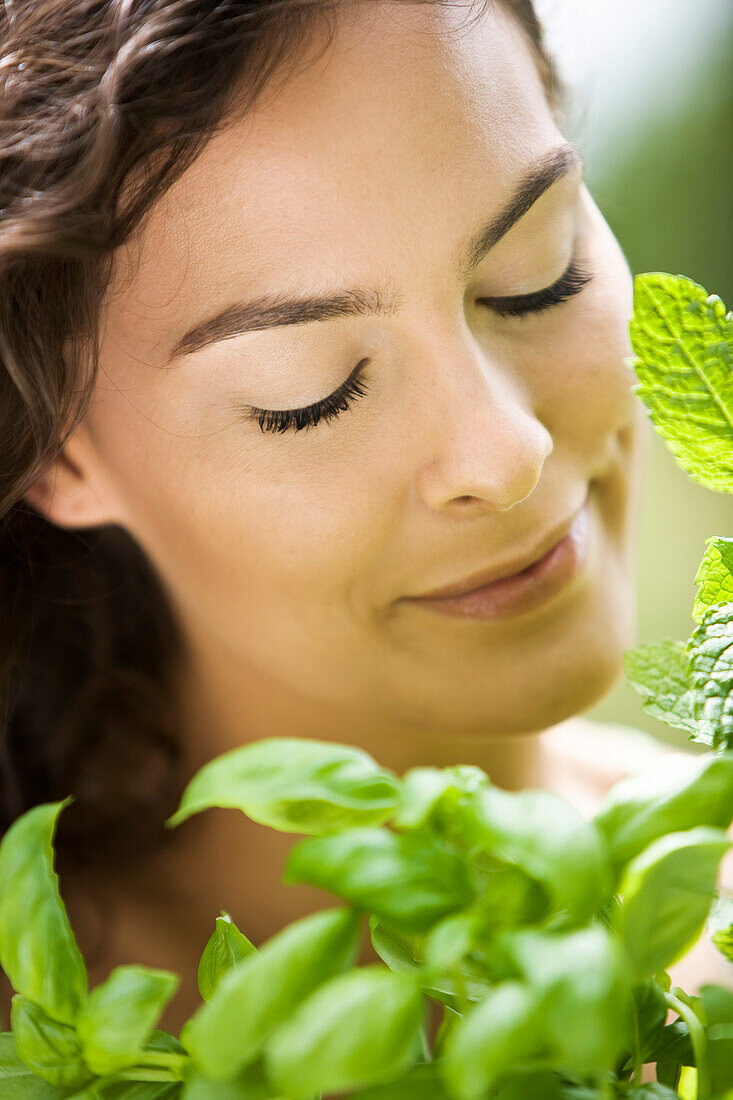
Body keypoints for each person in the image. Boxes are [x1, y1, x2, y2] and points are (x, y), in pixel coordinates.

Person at [0, 0, 729, 1035]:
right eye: (315, 392)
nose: (506, 453)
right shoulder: (54, 1031)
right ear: (61, 454)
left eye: (538, 272)